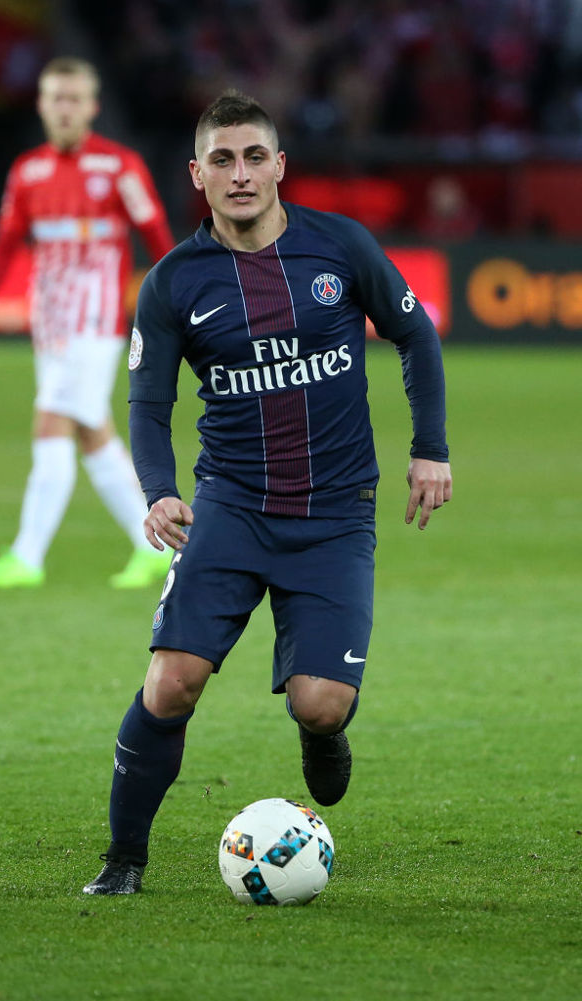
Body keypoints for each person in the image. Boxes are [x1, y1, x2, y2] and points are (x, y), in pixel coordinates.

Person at [83, 90, 452, 895]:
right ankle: (123, 859)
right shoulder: (174, 282)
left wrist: (430, 448)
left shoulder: (339, 247)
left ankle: (322, 732)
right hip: (231, 509)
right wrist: (159, 490)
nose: (241, 174)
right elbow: (148, 405)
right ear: (198, 175)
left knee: (321, 704)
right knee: (171, 681)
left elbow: (414, 333)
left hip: (336, 515)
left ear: (280, 165)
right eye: (222, 160)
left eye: (254, 156)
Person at [0, 57, 175, 589]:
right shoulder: (28, 171)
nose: (64, 108)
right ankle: (151, 545)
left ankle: (27, 556)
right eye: (56, 97)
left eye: (74, 98)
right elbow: (7, 239)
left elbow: (155, 230)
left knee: (51, 422)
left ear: (92, 106)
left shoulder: (119, 166)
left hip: (96, 320)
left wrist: (175, 292)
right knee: (92, 431)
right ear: (41, 104)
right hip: (51, 320)